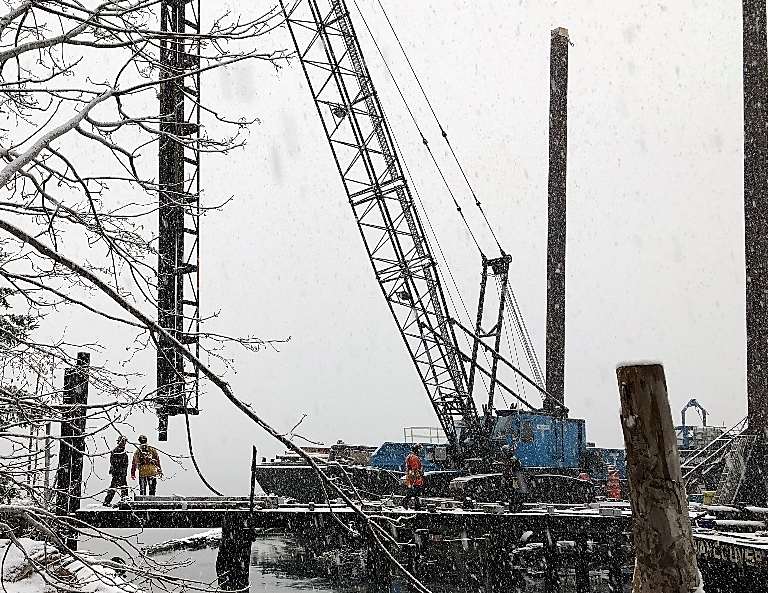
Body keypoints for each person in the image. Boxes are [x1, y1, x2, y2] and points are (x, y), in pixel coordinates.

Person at [498, 444, 525, 512]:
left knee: (512, 492)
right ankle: (507, 503)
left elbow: (515, 467)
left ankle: (513, 505)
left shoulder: (513, 459)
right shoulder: (508, 459)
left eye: (504, 452)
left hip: (513, 478)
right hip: (508, 477)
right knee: (505, 490)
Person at [104, 436, 129, 506]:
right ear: (119, 442)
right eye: (123, 441)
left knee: (123, 487)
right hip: (117, 472)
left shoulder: (123, 451)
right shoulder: (116, 451)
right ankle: (107, 501)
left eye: (125, 442)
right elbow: (113, 462)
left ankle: (124, 501)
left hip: (122, 473)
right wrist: (118, 470)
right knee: (114, 487)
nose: (124, 443)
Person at [402, 443, 424, 510]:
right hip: (416, 479)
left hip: (411, 477)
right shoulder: (414, 458)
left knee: (413, 493)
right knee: (416, 493)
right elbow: (415, 469)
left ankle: (409, 503)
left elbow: (410, 469)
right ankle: (416, 506)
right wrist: (416, 478)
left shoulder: (409, 457)